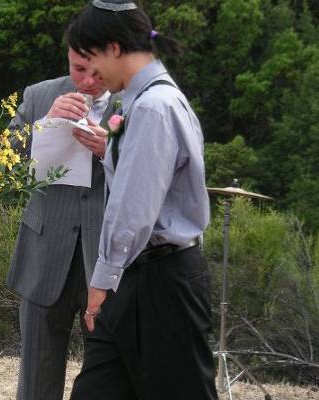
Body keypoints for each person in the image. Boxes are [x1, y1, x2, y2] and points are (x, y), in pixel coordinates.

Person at [65, 1, 218, 399]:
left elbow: (133, 210)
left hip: (162, 282)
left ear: (114, 48)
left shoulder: (153, 106)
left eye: (92, 58)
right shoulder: (138, 102)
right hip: (136, 277)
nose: (91, 73)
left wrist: (101, 278)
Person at [6, 42, 121, 399]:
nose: (86, 81)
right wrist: (45, 124)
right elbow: (4, 159)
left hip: (106, 258)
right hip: (44, 250)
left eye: (95, 71)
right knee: (37, 379)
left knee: (108, 376)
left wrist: (112, 152)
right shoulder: (40, 95)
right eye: (77, 69)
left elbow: (155, 174)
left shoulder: (135, 101)